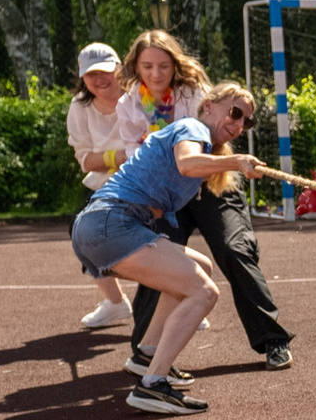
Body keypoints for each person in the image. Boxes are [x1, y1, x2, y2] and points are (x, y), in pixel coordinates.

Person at [69, 82, 266, 416]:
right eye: (235, 113)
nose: (238, 124)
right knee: (204, 292)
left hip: (100, 226)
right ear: (208, 106)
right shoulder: (192, 128)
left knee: (201, 267)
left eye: (246, 121)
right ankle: (153, 384)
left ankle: (146, 354)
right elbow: (187, 164)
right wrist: (236, 161)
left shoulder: (199, 141)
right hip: (110, 224)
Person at [116, 30, 298, 375]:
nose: (156, 73)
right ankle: (144, 352)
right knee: (157, 258)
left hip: (213, 181)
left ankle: (273, 338)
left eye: (164, 65)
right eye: (148, 66)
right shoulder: (128, 104)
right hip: (169, 194)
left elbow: (215, 133)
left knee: (235, 249)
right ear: (136, 67)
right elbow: (135, 153)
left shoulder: (193, 91)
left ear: (175, 65)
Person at [64, 41, 134, 330]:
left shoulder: (138, 97)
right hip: (102, 185)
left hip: (143, 182)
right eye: (91, 74)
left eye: (105, 70)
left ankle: (183, 295)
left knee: (164, 234)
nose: (99, 79)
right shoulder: (79, 107)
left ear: (119, 69)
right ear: (83, 78)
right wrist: (116, 157)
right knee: (81, 231)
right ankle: (115, 303)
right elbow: (85, 160)